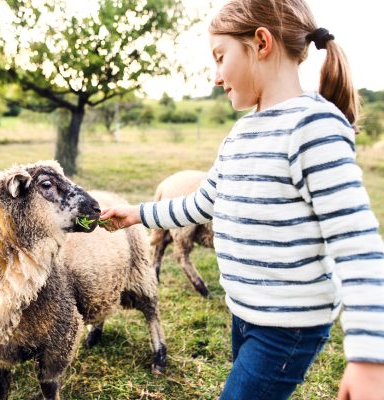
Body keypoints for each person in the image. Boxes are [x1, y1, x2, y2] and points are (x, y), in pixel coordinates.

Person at [99, 0, 384, 399]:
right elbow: (202, 202)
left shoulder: (312, 127)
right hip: (246, 313)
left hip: (287, 324)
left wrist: (370, 358)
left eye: (220, 57)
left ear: (261, 43)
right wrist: (138, 214)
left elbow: (358, 245)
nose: (216, 76)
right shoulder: (241, 134)